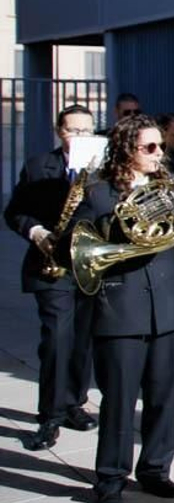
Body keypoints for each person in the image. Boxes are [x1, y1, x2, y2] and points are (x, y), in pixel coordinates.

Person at [71, 114, 174, 503]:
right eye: (149, 147)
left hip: (168, 306)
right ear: (126, 150)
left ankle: (155, 469)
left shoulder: (172, 188)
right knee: (119, 400)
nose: (159, 154)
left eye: (161, 146)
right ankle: (110, 477)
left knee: (163, 396)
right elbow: (77, 244)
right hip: (121, 307)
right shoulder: (99, 193)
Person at [5, 104, 100, 451]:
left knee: (83, 340)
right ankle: (51, 415)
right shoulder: (38, 166)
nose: (81, 136)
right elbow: (15, 212)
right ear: (60, 132)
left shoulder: (105, 167)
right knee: (58, 339)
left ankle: (74, 402)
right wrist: (37, 232)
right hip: (52, 264)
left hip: (90, 264)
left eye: (87, 130)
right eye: (74, 130)